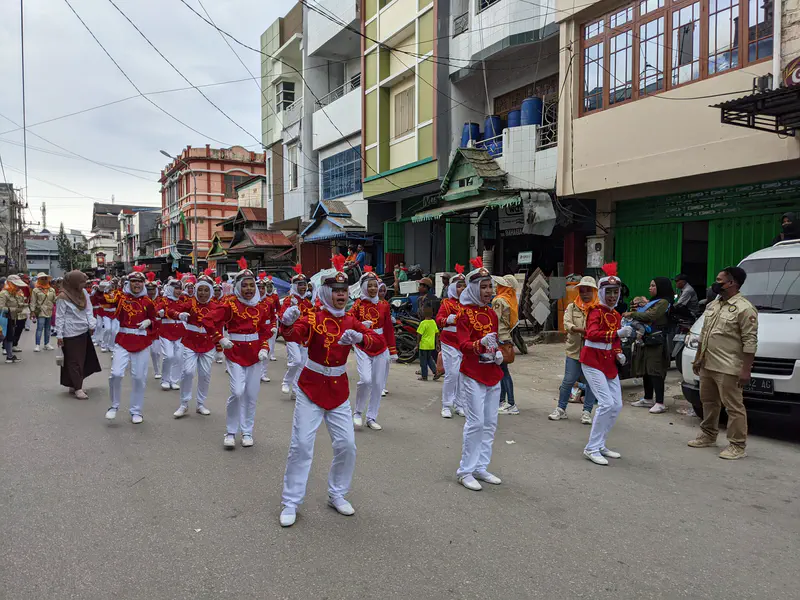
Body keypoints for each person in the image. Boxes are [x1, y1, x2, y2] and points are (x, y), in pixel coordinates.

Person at [278, 266, 380, 527]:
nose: (341, 295)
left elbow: (375, 343)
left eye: (344, 290)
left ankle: (337, 493)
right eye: (335, 291)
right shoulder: (313, 316)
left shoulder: (350, 320)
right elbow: (294, 333)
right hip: (311, 387)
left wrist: (361, 337)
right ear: (325, 292)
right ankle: (291, 501)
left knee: (347, 445)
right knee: (301, 445)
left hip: (338, 391)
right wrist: (287, 322)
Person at [689, 266, 758, 460]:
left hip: (728, 366)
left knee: (734, 407)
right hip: (708, 363)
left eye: (719, 280)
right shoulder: (714, 304)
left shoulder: (745, 308)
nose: (715, 283)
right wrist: (698, 358)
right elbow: (704, 333)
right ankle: (708, 435)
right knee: (709, 402)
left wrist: (746, 370)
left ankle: (737, 445)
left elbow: (750, 342)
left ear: (732, 283)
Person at [207, 259, 272, 448]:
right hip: (234, 352)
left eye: (252, 285)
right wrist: (220, 338)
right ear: (237, 287)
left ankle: (247, 432)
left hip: (254, 356)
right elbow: (209, 320)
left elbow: (264, 332)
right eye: (245, 286)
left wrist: (264, 348)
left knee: (251, 395)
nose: (249, 289)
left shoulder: (261, 307)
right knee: (237, 392)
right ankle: (230, 431)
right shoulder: (230, 304)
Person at [455, 256, 504, 491]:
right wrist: (478, 344)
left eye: (489, 286)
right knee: (476, 422)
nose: (487, 291)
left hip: (492, 371)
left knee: (491, 422)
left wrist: (498, 353)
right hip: (473, 372)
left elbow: (494, 341)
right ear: (473, 289)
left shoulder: (492, 314)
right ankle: (465, 470)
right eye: (483, 287)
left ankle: (481, 466)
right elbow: (462, 345)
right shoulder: (463, 314)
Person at [581, 263, 631, 466]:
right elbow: (591, 334)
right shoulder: (595, 312)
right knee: (606, 403)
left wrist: (619, 353)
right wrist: (616, 334)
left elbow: (616, 342)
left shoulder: (616, 315)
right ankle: (591, 448)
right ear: (601, 292)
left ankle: (600, 443)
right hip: (592, 360)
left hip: (608, 362)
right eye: (608, 292)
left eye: (615, 292)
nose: (612, 296)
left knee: (617, 405)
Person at [105, 268, 158, 424]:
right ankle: (113, 406)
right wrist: (103, 290)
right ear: (129, 283)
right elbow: (106, 301)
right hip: (122, 340)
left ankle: (136, 410)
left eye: (140, 282)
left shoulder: (148, 302)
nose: (137, 284)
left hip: (141, 342)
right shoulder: (121, 297)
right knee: (116, 374)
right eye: (134, 281)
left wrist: (149, 322)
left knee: (139, 378)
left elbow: (155, 320)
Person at [349, 266, 396, 430]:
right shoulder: (357, 305)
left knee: (377, 383)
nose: (373, 289)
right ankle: (357, 412)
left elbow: (389, 327)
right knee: (366, 380)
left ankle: (371, 417)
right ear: (363, 287)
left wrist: (393, 350)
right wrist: (360, 325)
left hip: (381, 345)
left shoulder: (384, 305)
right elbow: (348, 321)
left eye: (375, 285)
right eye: (369, 285)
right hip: (363, 345)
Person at [169, 271, 218, 418]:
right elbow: (171, 311)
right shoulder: (190, 303)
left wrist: (220, 347)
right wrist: (179, 315)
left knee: (205, 374)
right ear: (196, 290)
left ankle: (200, 404)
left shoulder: (216, 306)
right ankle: (184, 404)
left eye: (206, 290)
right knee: (188, 372)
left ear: (210, 292)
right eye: (200, 290)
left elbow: (220, 326)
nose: (203, 293)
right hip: (190, 342)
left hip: (208, 344)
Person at [549, 276, 598, 424]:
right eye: (582, 290)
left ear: (594, 292)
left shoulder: (599, 309)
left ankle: (587, 412)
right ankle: (561, 409)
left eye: (588, 290)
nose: (585, 294)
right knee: (568, 381)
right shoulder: (572, 307)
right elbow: (567, 324)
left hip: (592, 352)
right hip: (574, 351)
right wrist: (580, 330)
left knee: (591, 383)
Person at [625, 277, 673, 414]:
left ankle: (660, 402)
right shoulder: (653, 301)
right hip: (647, 340)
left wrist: (632, 313)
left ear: (661, 287)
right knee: (646, 369)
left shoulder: (663, 302)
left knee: (655, 370)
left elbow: (651, 316)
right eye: (650, 285)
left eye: (653, 286)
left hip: (657, 341)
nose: (650, 288)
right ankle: (647, 398)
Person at [55, 270, 101, 399]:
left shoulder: (83, 293)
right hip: (70, 333)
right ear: (73, 282)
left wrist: (91, 324)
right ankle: (78, 388)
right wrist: (59, 335)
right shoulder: (62, 297)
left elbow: (88, 309)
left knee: (83, 360)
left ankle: (74, 384)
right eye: (81, 282)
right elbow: (60, 317)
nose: (83, 285)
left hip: (83, 331)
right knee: (74, 361)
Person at [435, 264, 466, 418]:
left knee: (462, 374)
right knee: (452, 373)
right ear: (453, 287)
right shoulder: (447, 303)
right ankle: (446, 405)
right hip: (449, 341)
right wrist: (447, 320)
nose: (462, 289)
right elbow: (438, 320)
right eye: (459, 286)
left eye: (464, 286)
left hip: (464, 341)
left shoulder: (468, 304)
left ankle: (459, 404)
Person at [280, 265, 313, 396]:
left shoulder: (308, 303)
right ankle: (286, 382)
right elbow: (283, 318)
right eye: (299, 285)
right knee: (296, 361)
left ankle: (296, 390)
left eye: (304, 284)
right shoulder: (289, 300)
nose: (302, 287)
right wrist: (290, 312)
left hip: (304, 338)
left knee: (302, 365)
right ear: (294, 286)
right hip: (292, 336)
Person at [492, 274, 521, 416]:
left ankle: (510, 403)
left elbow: (494, 319)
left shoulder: (499, 300)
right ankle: (502, 401)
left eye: (499, 284)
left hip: (500, 338)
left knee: (503, 372)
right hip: (506, 336)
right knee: (502, 371)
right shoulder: (511, 300)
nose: (497, 286)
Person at [156, 276, 185, 391]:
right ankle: (165, 380)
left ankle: (174, 380)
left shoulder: (183, 300)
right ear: (170, 288)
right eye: (176, 288)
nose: (178, 291)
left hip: (180, 331)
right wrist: (160, 314)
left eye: (180, 288)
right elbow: (155, 312)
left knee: (178, 357)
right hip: (166, 331)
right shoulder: (163, 300)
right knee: (169, 356)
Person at [0, 274, 29, 364]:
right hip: (4, 319)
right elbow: (1, 307)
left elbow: (17, 303)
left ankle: (10, 356)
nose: (18, 287)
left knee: (9, 337)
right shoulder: (4, 293)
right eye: (16, 285)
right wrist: (14, 309)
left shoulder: (15, 293)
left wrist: (23, 306)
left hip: (11, 318)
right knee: (3, 337)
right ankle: (9, 355)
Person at [255, 273, 278, 383]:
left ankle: (263, 373)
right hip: (254, 329)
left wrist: (273, 327)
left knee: (266, 351)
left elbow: (273, 317)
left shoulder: (270, 301)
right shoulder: (251, 301)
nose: (261, 290)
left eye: (262, 288)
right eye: (258, 288)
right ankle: (254, 373)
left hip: (267, 329)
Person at [30, 273, 56, 352]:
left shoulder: (52, 290)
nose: (44, 280)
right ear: (39, 280)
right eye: (42, 278)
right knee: (39, 328)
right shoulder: (35, 290)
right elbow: (33, 301)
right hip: (40, 311)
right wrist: (32, 311)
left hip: (49, 311)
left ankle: (46, 344)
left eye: (45, 278)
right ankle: (37, 345)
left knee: (48, 328)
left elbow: (54, 300)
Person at [144, 274, 162, 379]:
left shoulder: (161, 300)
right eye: (148, 289)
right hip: (144, 329)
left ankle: (157, 370)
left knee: (155, 352)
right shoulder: (142, 300)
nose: (150, 291)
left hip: (157, 329)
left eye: (152, 289)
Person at [416, 306, 439, 381]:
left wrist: (417, 345)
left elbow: (419, 335)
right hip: (431, 345)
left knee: (423, 362)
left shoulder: (423, 323)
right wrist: (437, 344)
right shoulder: (433, 322)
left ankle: (424, 376)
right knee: (429, 360)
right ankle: (436, 372)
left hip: (423, 346)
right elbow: (436, 333)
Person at [264, 276, 280, 362]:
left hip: (274, 319)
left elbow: (279, 308)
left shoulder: (275, 296)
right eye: (267, 286)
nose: (269, 288)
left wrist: (277, 314)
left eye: (270, 286)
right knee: (264, 337)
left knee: (273, 338)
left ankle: (272, 354)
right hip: (265, 319)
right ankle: (265, 351)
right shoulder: (263, 296)